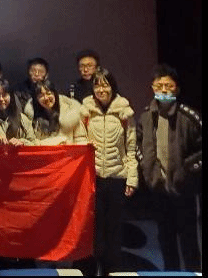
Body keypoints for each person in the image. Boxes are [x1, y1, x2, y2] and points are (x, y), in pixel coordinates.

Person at [137, 64, 202, 272]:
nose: (164, 90)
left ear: (177, 89)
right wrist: (146, 167)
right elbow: (137, 145)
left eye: (169, 86)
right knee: (165, 240)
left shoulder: (190, 116)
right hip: (159, 189)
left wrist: (187, 170)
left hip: (184, 189)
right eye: (159, 86)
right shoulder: (146, 117)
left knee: (189, 241)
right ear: (152, 87)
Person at [80, 67, 137, 275]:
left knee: (114, 230)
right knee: (94, 230)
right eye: (97, 85)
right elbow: (79, 140)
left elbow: (131, 147)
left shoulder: (125, 113)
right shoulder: (86, 111)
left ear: (112, 86)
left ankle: (110, 271)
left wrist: (132, 178)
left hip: (116, 178)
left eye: (105, 85)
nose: (101, 89)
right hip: (93, 179)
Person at [24, 78, 87, 145]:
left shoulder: (71, 113)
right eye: (41, 96)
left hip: (68, 151)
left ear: (55, 94)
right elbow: (30, 142)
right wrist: (59, 140)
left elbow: (81, 139)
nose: (46, 98)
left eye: (48, 93)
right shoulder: (31, 118)